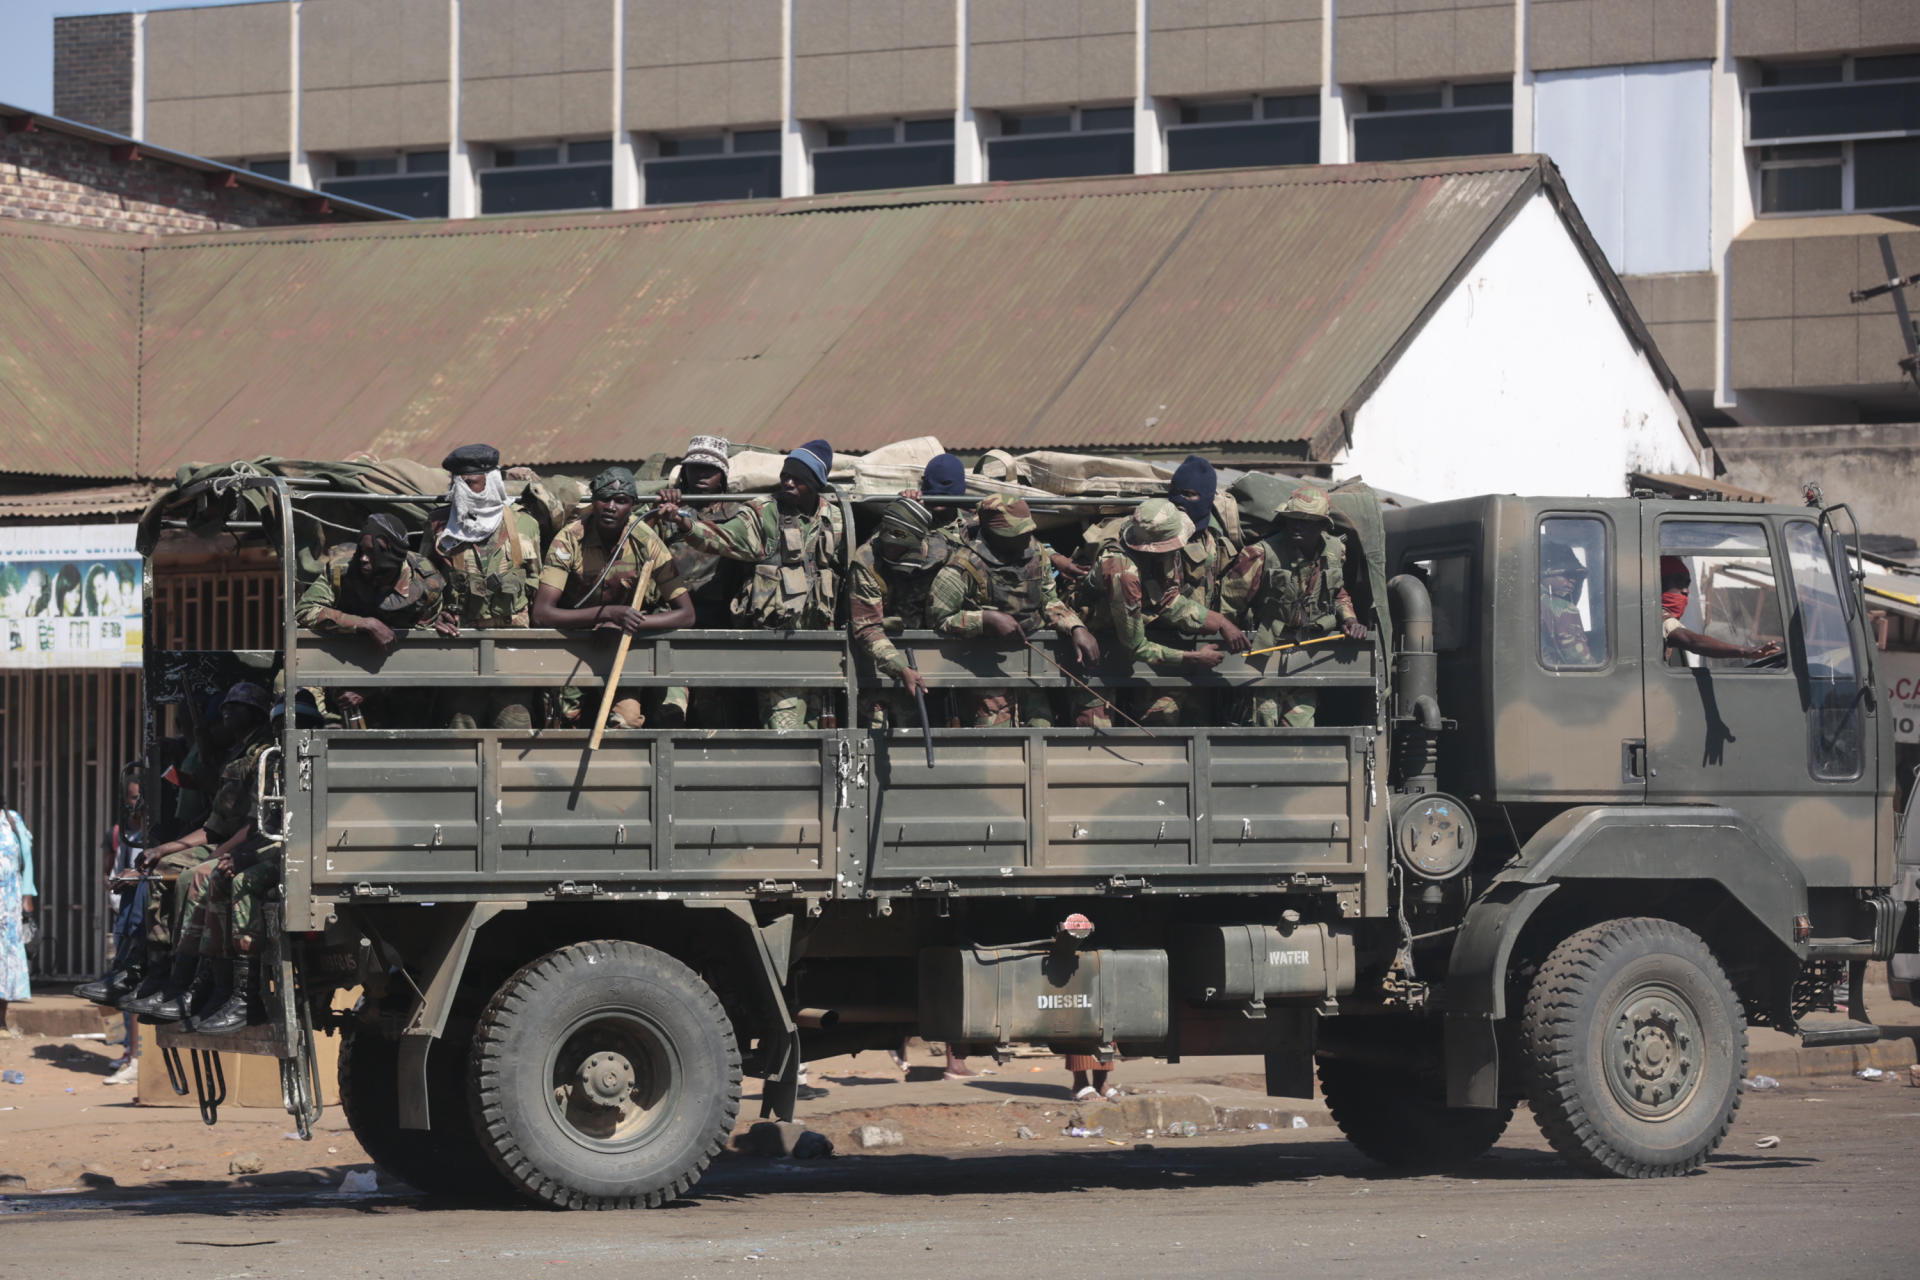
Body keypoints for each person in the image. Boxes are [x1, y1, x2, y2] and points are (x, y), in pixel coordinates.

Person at [659, 440, 845, 730]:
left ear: (816, 483)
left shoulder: (834, 517)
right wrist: (686, 525)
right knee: (784, 731)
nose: (788, 482)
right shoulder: (764, 513)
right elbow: (723, 536)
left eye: (798, 478)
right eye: (786, 476)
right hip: (777, 646)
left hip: (820, 647)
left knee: (816, 735)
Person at [120, 682, 275, 1021]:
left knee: (197, 877)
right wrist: (164, 848)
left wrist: (216, 857)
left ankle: (201, 986)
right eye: (226, 706)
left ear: (256, 713)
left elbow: (256, 825)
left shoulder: (264, 756)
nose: (226, 712)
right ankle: (160, 974)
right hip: (229, 841)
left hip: (252, 844)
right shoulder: (236, 755)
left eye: (237, 706)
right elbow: (215, 825)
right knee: (160, 870)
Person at [532, 466, 693, 730]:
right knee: (565, 722)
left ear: (632, 506)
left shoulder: (646, 541)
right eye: (604, 498)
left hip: (625, 647)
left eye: (621, 500)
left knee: (627, 720)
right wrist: (607, 614)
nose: (611, 506)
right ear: (593, 501)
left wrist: (627, 624)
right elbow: (542, 614)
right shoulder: (570, 539)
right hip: (574, 645)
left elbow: (686, 614)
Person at [927, 495, 1099, 727]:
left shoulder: (1037, 554)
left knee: (1042, 727)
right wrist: (985, 619)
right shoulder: (962, 567)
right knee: (997, 738)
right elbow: (939, 618)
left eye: (1027, 532)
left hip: (1030, 668)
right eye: (1016, 535)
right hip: (983, 671)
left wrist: (1075, 627)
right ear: (993, 534)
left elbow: (1049, 600)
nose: (1026, 539)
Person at [1079, 498, 1239, 727]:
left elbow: (1167, 600)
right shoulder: (1123, 571)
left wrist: (1219, 622)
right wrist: (1193, 658)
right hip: (1097, 646)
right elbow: (1135, 646)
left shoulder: (1155, 548)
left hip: (1124, 636)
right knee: (1097, 728)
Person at [1220, 484, 1365, 727]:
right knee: (1262, 726)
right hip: (1263, 655)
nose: (1298, 526)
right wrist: (1231, 642)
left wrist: (1350, 619)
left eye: (1307, 521)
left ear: (1322, 525)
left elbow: (1337, 592)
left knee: (1302, 730)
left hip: (1306, 655)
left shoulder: (1334, 551)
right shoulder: (1261, 554)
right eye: (1293, 519)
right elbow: (1229, 603)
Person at [426, 443, 542, 730]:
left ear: (490, 481)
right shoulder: (440, 526)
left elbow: (536, 582)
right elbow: (425, 580)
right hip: (461, 648)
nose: (463, 489)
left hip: (512, 650)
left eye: (471, 483)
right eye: (458, 483)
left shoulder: (524, 524)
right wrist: (435, 614)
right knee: (461, 731)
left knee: (514, 730)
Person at [295, 512, 447, 726]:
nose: (363, 558)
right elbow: (304, 611)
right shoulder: (342, 570)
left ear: (392, 553)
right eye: (361, 550)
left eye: (372, 552)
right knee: (296, 695)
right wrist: (365, 624)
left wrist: (369, 688)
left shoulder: (425, 585)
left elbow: (424, 657)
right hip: (335, 664)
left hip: (393, 679)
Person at [653, 436, 750, 726]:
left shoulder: (737, 513)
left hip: (717, 620)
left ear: (723, 475)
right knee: (671, 707)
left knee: (711, 711)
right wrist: (661, 508)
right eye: (694, 469)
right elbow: (636, 542)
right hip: (671, 618)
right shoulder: (669, 508)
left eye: (709, 470)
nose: (701, 475)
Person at [849, 497, 956, 729]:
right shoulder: (867, 560)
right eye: (886, 541)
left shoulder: (944, 555)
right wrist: (901, 668)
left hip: (932, 667)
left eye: (898, 545)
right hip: (880, 665)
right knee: (876, 729)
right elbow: (867, 627)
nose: (889, 549)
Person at [1659, 555, 1782, 663]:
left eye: (1687, 585)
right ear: (1658, 584)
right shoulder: (1659, 617)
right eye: (1678, 583)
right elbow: (1692, 641)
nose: (1685, 591)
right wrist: (1745, 651)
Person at [0, 799, 36, 1039]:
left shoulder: (11, 820)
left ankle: (2, 1020)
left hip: (9, 903)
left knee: (5, 960)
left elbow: (26, 859)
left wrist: (27, 895)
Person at [1539, 541, 1596, 667]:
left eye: (1576, 576)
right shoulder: (1563, 609)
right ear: (1546, 573)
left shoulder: (1532, 602)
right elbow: (1582, 663)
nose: (1573, 580)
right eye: (1568, 574)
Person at [901, 451, 976, 542]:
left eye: (945, 483)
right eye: (929, 484)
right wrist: (903, 511)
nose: (936, 492)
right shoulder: (915, 519)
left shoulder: (975, 523)